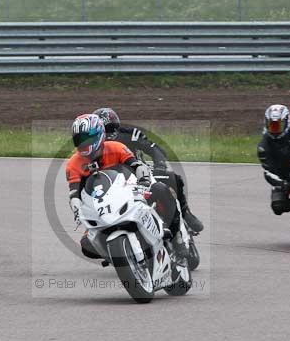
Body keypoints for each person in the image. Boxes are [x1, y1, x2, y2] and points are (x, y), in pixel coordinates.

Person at [67, 113, 188, 259]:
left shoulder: (116, 147)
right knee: (87, 246)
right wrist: (77, 209)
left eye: (87, 138)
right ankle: (122, 257)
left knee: (161, 189)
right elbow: (74, 193)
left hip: (132, 188)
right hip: (102, 202)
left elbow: (137, 166)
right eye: (79, 140)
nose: (84, 144)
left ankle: (176, 237)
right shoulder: (73, 163)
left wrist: (144, 180)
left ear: (99, 133)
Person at [92, 107, 204, 233]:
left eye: (112, 129)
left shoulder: (130, 134)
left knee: (172, 178)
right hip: (116, 184)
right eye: (105, 131)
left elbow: (154, 149)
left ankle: (185, 214)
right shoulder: (94, 148)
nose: (109, 134)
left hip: (141, 175)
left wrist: (159, 166)